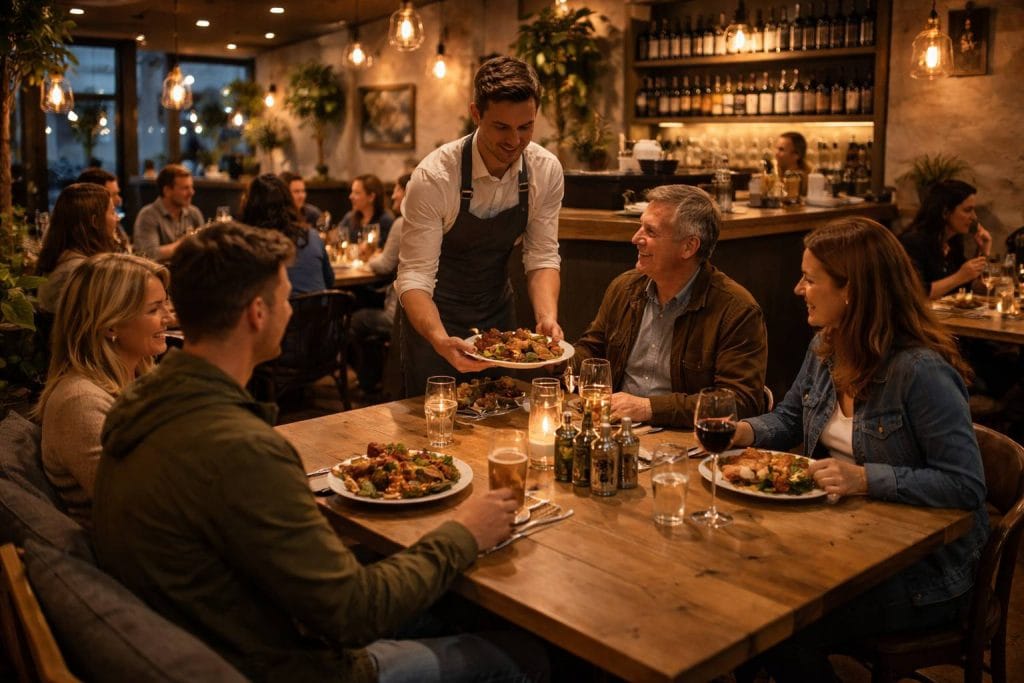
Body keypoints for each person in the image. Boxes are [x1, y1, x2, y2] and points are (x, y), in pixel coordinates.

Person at [92, 222, 545, 683]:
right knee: (528, 656)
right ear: (257, 313)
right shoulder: (240, 448)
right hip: (289, 666)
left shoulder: (145, 406)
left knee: (452, 605)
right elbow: (355, 613)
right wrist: (465, 532)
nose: (292, 309)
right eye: (286, 298)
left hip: (227, 631)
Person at [731, 217, 988, 681]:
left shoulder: (921, 370)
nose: (798, 289)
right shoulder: (826, 344)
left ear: (852, 290)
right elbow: (789, 418)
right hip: (843, 541)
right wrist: (743, 432)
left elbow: (966, 485)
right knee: (738, 583)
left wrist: (866, 478)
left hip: (924, 571)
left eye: (810, 279)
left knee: (774, 626)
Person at [397, 56, 564, 396]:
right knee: (431, 420)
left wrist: (547, 317)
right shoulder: (434, 177)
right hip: (434, 319)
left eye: (526, 127)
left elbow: (542, 255)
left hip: (497, 316)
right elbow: (414, 276)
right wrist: (439, 338)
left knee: (504, 416)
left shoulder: (545, 170)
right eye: (501, 127)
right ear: (476, 114)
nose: (514, 140)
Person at [571, 185, 767, 427]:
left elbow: (739, 401)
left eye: (650, 231)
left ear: (689, 247)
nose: (635, 239)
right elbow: (592, 351)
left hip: (686, 439)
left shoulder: (736, 310)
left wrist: (648, 408)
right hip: (614, 429)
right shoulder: (625, 288)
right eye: (640, 226)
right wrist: (553, 356)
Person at [34, 253, 171, 527]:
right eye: (154, 309)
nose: (168, 317)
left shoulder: (139, 379)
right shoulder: (80, 402)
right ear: (110, 325)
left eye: (165, 304)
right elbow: (139, 506)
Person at [350, 173, 410, 396]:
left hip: (399, 314)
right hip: (422, 311)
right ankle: (373, 377)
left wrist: (369, 259)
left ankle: (368, 381)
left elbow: (385, 265)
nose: (393, 195)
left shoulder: (401, 222)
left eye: (398, 189)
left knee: (353, 320)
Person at [899, 179, 993, 299]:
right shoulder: (913, 242)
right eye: (967, 210)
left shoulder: (953, 242)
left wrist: (983, 251)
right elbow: (916, 293)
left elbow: (970, 288)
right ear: (945, 212)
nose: (974, 217)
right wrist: (959, 277)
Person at [240, 174, 334, 293]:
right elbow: (329, 280)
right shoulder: (312, 235)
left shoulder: (254, 245)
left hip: (281, 304)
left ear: (250, 205)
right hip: (319, 304)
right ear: (289, 201)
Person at [36, 183, 121, 313]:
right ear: (95, 221)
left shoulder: (63, 259)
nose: (117, 218)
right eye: (113, 212)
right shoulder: (81, 270)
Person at [133, 163, 204, 261]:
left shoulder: (194, 213)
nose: (191, 192)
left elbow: (204, 247)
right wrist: (185, 243)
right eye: (185, 188)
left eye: (191, 187)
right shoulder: (147, 215)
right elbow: (148, 254)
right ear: (167, 191)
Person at [76, 167, 131, 251]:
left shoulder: (113, 224)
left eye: (118, 193)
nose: (119, 200)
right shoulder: (85, 246)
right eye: (113, 195)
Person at [340, 174, 394, 246]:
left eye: (356, 193)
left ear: (371, 197)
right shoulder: (349, 217)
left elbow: (388, 249)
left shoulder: (385, 221)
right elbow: (338, 237)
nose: (350, 196)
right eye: (352, 192)